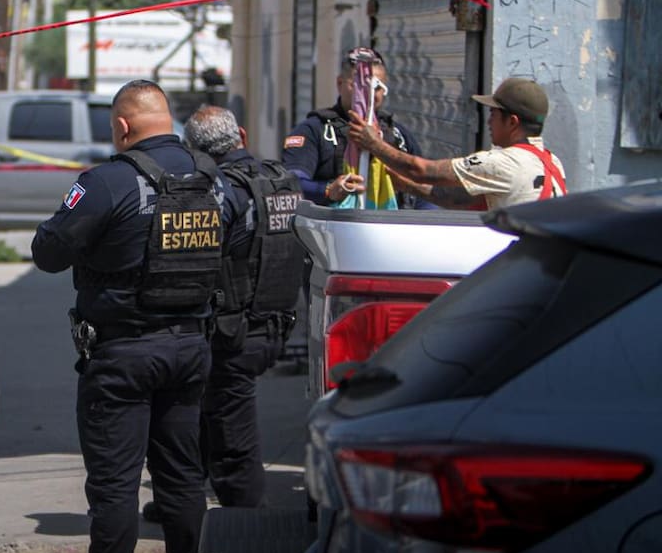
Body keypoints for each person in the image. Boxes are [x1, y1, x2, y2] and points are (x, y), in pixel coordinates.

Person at [32, 80, 234, 553]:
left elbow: (47, 253)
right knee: (183, 480)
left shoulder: (106, 182)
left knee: (116, 487)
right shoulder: (214, 180)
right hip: (191, 348)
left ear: (122, 127)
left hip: (122, 352)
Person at [182, 106, 302, 510]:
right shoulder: (280, 180)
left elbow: (200, 258)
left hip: (233, 329)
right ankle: (177, 498)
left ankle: (247, 520)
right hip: (275, 321)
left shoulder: (220, 192)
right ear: (243, 136)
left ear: (194, 151)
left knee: (231, 430)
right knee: (202, 411)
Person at [346, 77, 567, 209]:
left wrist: (374, 143)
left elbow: (422, 169)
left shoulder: (502, 163)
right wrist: (405, 184)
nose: (488, 121)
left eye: (493, 113)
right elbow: (459, 199)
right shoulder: (551, 162)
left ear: (512, 122)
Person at [282, 47, 427, 207]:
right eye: (359, 86)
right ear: (340, 83)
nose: (368, 94)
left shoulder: (398, 135)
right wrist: (328, 190)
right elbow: (291, 183)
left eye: (376, 87)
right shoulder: (315, 130)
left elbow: (424, 191)